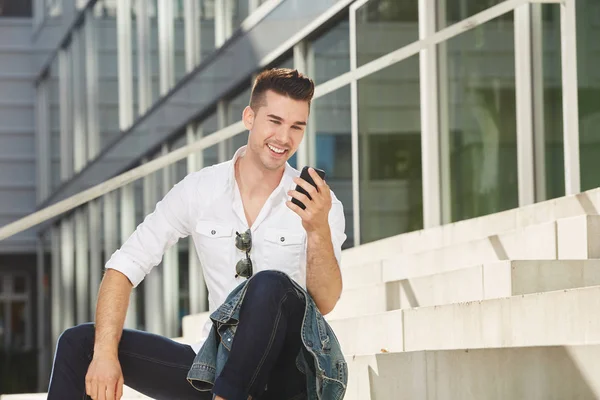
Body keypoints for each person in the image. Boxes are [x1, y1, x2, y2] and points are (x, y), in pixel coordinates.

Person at [47, 68, 347, 400]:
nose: (283, 138)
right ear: (249, 117)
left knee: (268, 285)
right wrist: (104, 354)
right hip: (217, 366)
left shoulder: (320, 204)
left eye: (296, 127)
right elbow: (124, 265)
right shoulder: (201, 190)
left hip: (291, 375)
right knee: (79, 345)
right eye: (274, 121)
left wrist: (317, 229)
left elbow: (327, 300)